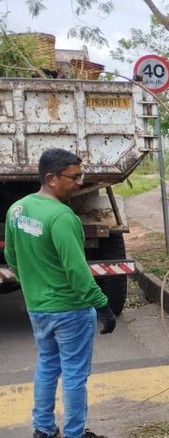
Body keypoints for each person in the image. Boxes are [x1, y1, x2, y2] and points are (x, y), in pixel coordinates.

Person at [4, 148, 117, 438]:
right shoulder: (62, 217)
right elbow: (77, 272)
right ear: (52, 178)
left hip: (38, 309)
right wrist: (102, 304)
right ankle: (74, 434)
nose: (80, 182)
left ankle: (42, 429)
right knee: (75, 375)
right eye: (74, 176)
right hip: (70, 310)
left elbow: (13, 257)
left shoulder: (18, 209)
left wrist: (34, 285)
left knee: (47, 366)